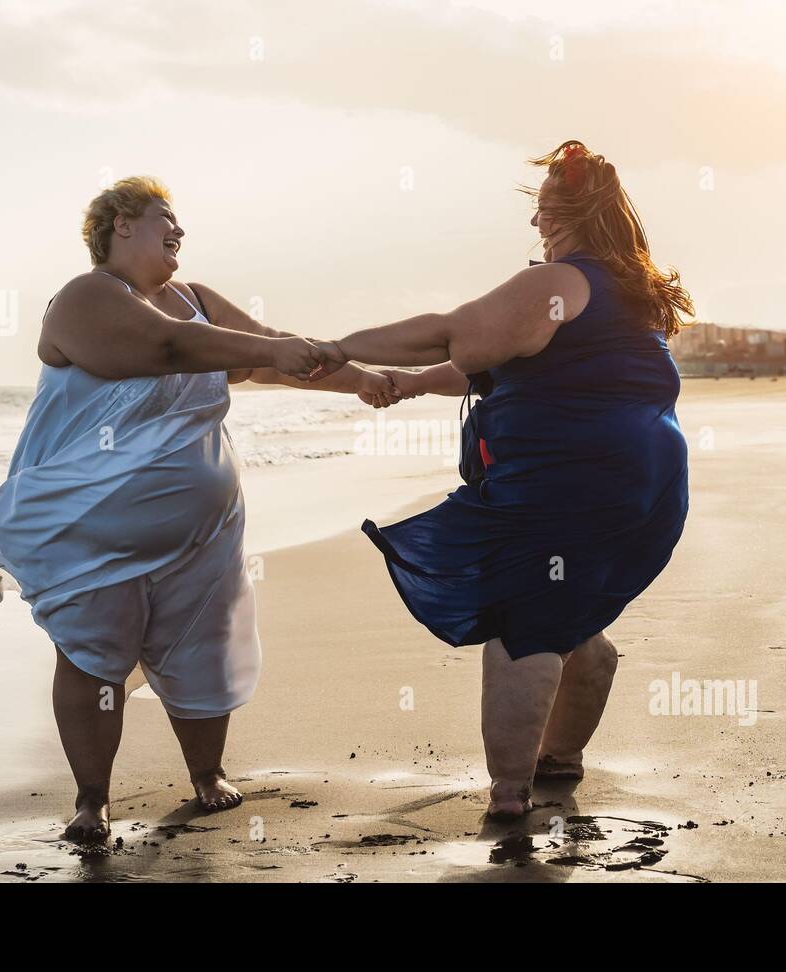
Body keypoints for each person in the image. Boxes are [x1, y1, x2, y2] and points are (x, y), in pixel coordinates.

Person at [0, 176, 389, 841]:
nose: (180, 231)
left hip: (204, 532)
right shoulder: (87, 297)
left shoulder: (195, 300)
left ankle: (207, 773)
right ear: (122, 224)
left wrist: (357, 378)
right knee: (92, 655)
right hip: (91, 527)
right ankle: (91, 799)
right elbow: (165, 348)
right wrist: (268, 351)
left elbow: (272, 352)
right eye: (167, 217)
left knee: (204, 646)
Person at [316, 141, 692, 818]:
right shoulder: (621, 291)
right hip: (642, 488)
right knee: (575, 618)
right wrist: (404, 386)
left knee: (527, 618)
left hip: (571, 483)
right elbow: (477, 365)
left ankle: (510, 799)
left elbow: (451, 334)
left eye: (546, 209)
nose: (535, 224)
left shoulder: (560, 284)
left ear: (579, 213)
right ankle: (558, 761)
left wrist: (339, 348)